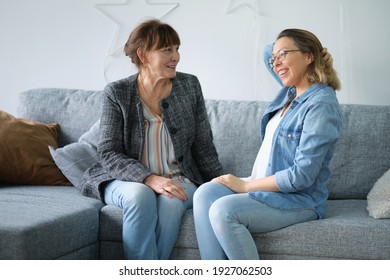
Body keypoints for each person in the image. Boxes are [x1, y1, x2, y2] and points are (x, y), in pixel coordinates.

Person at [79, 19, 223, 260]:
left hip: (179, 177)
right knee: (140, 195)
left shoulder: (189, 85)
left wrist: (220, 183)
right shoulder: (117, 93)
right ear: (143, 55)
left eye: (177, 49)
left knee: (171, 199)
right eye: (167, 50)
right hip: (125, 179)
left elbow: (203, 146)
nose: (176, 56)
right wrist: (148, 178)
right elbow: (108, 152)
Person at [193, 28, 343, 260]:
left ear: (308, 56)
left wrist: (244, 187)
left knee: (223, 211)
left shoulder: (321, 104)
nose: (276, 63)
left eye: (283, 55)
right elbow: (267, 53)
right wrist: (289, 53)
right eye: (276, 59)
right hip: (264, 185)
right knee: (205, 193)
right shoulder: (291, 91)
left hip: (299, 200)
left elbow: (301, 176)